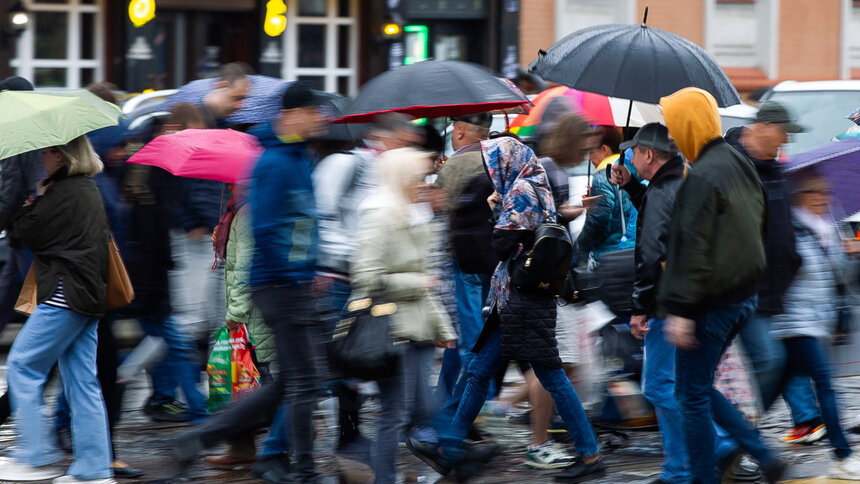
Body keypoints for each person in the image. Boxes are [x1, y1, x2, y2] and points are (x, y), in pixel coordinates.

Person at [407, 138, 605, 483]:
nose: (490, 170)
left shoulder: (521, 189)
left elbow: (501, 244)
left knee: (551, 376)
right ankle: (449, 448)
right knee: (479, 370)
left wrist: (495, 209)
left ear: (506, 163)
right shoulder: (537, 183)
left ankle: (590, 455)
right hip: (517, 298)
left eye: (492, 164)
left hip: (522, 300)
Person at [658, 87, 784, 484]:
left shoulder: (704, 175)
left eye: (674, 127)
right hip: (741, 297)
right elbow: (759, 226)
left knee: (689, 394)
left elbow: (691, 247)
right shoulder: (736, 161)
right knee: (698, 386)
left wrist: (680, 310)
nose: (671, 137)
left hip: (708, 303)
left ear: (689, 124)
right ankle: (763, 452)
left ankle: (702, 478)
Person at [0, 136, 115, 484]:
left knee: (22, 366)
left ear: (63, 157)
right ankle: (94, 469)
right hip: (87, 296)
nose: (42, 158)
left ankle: (34, 455)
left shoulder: (64, 193)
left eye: (47, 152)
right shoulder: (85, 188)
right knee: (82, 382)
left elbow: (26, 230)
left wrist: (35, 198)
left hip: (65, 295)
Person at [313, 112, 424, 450]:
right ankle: (286, 445)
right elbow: (322, 215)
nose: (405, 150)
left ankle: (349, 435)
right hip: (338, 277)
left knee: (358, 357)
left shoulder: (386, 172)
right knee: (339, 359)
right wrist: (345, 257)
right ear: (384, 138)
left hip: (368, 280)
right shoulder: (345, 165)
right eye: (403, 142)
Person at [350, 147, 458, 484]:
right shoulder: (381, 218)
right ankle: (387, 476)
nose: (422, 185)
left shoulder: (418, 217)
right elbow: (366, 277)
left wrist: (443, 328)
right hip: (391, 330)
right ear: (399, 180)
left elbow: (429, 285)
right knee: (396, 413)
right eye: (416, 179)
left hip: (420, 331)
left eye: (424, 178)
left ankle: (453, 462)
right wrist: (415, 282)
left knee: (422, 409)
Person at [724, 101, 824, 445]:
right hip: (748, 288)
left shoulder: (774, 169)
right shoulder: (739, 168)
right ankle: (733, 438)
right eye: (783, 133)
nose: (786, 141)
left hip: (776, 293)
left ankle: (737, 438)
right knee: (769, 361)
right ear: (764, 127)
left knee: (776, 366)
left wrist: (794, 260)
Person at [248, 81, 328, 484]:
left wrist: (312, 268)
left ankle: (289, 463)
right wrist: (296, 274)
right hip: (278, 286)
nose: (321, 119)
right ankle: (303, 470)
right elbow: (264, 228)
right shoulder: (275, 162)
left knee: (300, 381)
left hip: (294, 282)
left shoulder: (299, 157)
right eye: (315, 112)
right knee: (303, 381)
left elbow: (302, 223)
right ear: (293, 115)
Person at [611, 123, 699, 484]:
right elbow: (654, 215)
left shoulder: (664, 190)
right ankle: (694, 459)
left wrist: (639, 306)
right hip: (681, 299)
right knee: (679, 386)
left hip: (666, 302)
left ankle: (688, 464)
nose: (630, 156)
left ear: (649, 154)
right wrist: (631, 185)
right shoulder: (673, 182)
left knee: (659, 386)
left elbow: (650, 252)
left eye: (634, 152)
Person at [764, 172, 860, 480]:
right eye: (815, 192)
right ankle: (843, 454)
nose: (823, 198)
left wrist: (848, 255)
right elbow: (784, 272)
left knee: (769, 392)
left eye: (825, 192)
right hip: (794, 323)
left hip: (816, 323)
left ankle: (733, 441)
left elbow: (837, 277)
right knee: (826, 386)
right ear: (801, 195)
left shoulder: (825, 229)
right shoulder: (789, 229)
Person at [170, 62, 249, 354]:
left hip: (214, 234)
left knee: (216, 318)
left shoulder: (222, 125)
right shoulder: (195, 121)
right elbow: (182, 183)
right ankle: (129, 374)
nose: (240, 105)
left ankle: (216, 390)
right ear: (220, 86)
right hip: (198, 234)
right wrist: (194, 221)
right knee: (191, 321)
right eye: (237, 97)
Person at [201, 184, 280, 472]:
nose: (227, 185)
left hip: (251, 312)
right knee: (242, 379)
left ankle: (291, 430)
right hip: (249, 309)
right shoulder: (236, 213)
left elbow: (246, 267)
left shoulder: (246, 213)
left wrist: (236, 311)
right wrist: (223, 238)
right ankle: (242, 448)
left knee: (255, 382)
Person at [434, 112, 493, 401]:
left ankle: (469, 399)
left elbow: (439, 213)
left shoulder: (454, 165)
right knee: (470, 330)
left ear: (459, 130)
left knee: (464, 334)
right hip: (494, 257)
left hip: (462, 259)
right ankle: (446, 400)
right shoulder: (500, 157)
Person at [575, 125, 635, 262]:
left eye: (591, 152)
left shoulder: (603, 175)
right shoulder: (630, 167)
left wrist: (578, 252)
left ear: (604, 149)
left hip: (609, 256)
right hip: (630, 251)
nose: (589, 158)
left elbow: (598, 222)